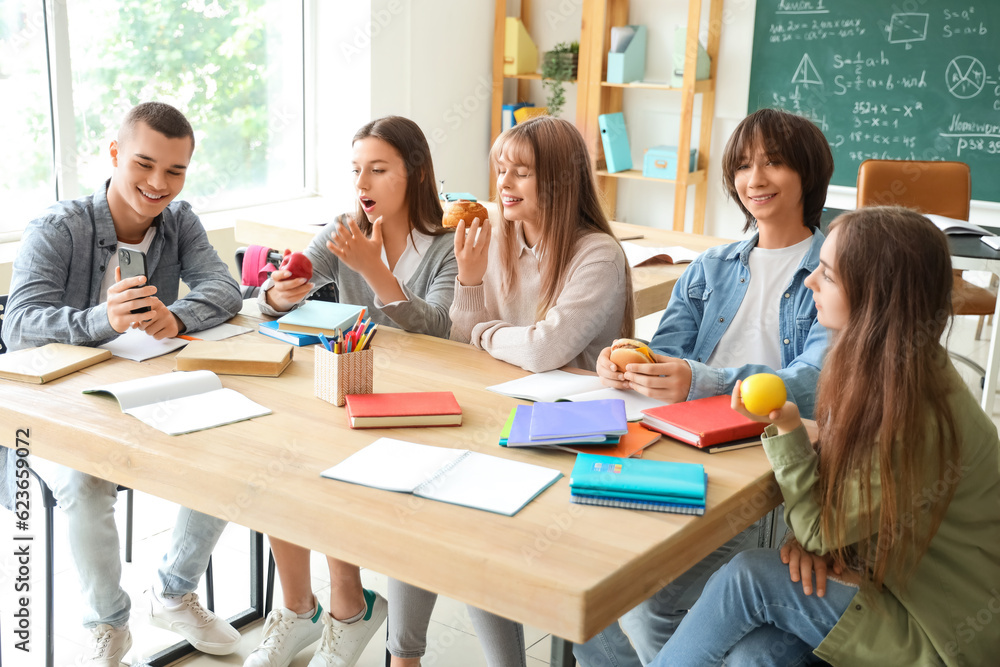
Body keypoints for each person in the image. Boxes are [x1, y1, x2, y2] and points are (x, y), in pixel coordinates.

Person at [650, 206, 1000, 666]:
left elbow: (819, 528)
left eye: (828, 276)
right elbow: (851, 506)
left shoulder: (911, 407)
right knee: (756, 657)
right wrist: (823, 544)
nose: (811, 281)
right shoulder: (896, 369)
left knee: (750, 577)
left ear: (877, 295)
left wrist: (790, 429)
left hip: (938, 634)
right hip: (887, 582)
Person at [577, 107, 834, 666]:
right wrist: (629, 363)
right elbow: (669, 352)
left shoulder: (832, 272)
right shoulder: (713, 265)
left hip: (763, 456)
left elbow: (811, 386)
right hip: (680, 440)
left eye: (774, 163)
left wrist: (702, 381)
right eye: (742, 166)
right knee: (579, 578)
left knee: (652, 609)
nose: (754, 180)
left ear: (808, 174)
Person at [1, 102, 244, 666]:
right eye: (144, 164)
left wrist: (178, 317)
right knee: (86, 484)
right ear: (115, 155)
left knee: (231, 447)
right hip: (56, 405)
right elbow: (18, 327)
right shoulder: (58, 226)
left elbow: (224, 287)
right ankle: (108, 623)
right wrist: (99, 321)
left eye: (175, 171)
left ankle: (174, 590)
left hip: (141, 390)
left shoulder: (179, 221)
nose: (159, 184)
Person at [388, 115, 633, 666]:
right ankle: (403, 657)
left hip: (573, 432)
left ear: (561, 180)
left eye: (521, 173)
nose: (504, 184)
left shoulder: (597, 254)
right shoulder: (493, 234)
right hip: (500, 410)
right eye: (501, 169)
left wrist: (482, 330)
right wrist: (471, 285)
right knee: (424, 490)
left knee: (465, 515)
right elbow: (460, 342)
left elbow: (545, 350)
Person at [247, 115, 457, 667]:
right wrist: (278, 294)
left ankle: (349, 607)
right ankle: (311, 608)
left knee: (331, 465)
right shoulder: (343, 227)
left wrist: (376, 272)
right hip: (351, 383)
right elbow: (269, 301)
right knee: (277, 452)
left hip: (421, 400)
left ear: (414, 173)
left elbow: (440, 329)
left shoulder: (446, 244)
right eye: (356, 170)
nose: (362, 184)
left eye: (378, 169)